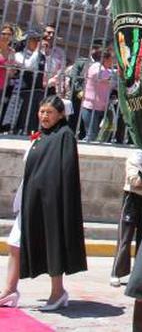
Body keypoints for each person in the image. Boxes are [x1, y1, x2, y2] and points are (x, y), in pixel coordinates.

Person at [10, 96, 86, 310]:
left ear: (61, 114)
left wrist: (56, 197)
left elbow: (65, 171)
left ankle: (57, 292)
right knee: (23, 244)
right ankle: (11, 289)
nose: (44, 116)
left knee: (55, 246)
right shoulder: (43, 136)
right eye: (42, 111)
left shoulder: (64, 136)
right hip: (35, 201)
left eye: (49, 112)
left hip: (53, 202)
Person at [110, 149, 142, 287]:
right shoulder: (135, 156)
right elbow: (133, 180)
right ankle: (116, 273)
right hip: (132, 199)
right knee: (125, 238)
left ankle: (138, 273)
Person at [79, 49, 116, 142]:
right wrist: (118, 73)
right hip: (90, 107)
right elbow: (101, 75)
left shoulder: (107, 69)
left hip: (102, 108)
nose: (113, 61)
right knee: (91, 135)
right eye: (111, 59)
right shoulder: (96, 67)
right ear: (105, 59)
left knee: (99, 135)